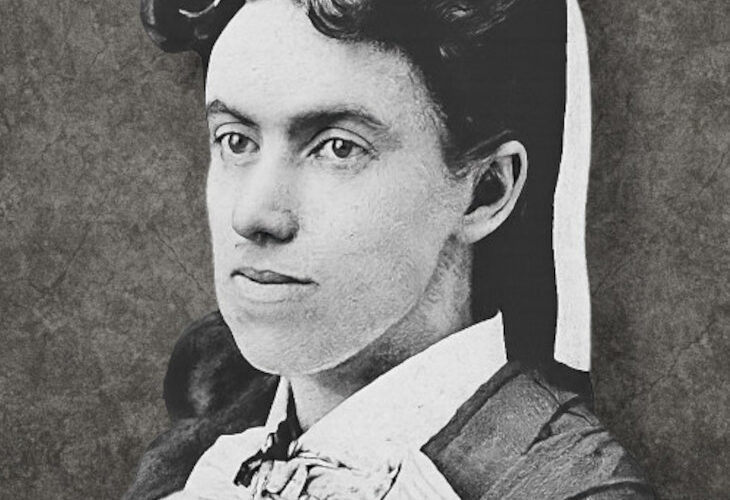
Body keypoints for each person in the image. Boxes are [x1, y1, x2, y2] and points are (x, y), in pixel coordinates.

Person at [126, 0, 654, 498]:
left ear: (486, 191)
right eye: (236, 141)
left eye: (338, 148)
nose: (252, 215)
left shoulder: (571, 485)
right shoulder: (198, 464)